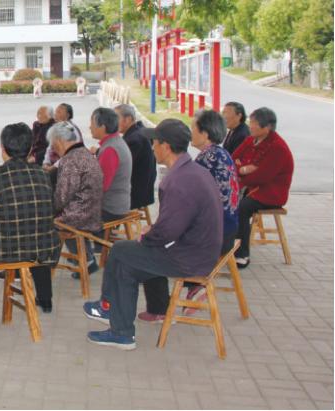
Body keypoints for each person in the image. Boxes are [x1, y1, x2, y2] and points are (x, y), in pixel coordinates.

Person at [83, 119, 223, 350]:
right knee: (126, 264)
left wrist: (146, 237)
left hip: (189, 257)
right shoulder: (192, 171)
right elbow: (176, 222)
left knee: (120, 250)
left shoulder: (178, 181)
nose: (152, 147)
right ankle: (119, 325)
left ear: (166, 147)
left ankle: (112, 315)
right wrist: (153, 231)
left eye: (155, 143)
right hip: (198, 250)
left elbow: (167, 232)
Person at [138, 110, 240, 322]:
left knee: (152, 244)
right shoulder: (220, 154)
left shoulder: (203, 162)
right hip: (225, 228)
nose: (190, 133)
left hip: (213, 235)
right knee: (158, 235)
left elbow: (184, 212)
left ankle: (160, 308)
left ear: (205, 133)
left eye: (194, 129)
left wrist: (155, 230)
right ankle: (187, 291)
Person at [0, 123, 60, 326]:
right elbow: (52, 208)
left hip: (3, 251)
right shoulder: (43, 175)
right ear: (31, 149)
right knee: (37, 237)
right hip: (44, 246)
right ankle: (46, 300)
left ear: (2, 149)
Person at [72, 107, 132, 280]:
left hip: (110, 207)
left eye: (92, 124)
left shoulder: (110, 150)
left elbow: (99, 187)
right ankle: (87, 255)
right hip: (115, 201)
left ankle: (87, 259)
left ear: (103, 127)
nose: (89, 127)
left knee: (64, 217)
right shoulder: (113, 144)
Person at [232, 107, 294, 268]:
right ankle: (224, 243)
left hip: (270, 193)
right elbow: (233, 159)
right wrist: (245, 168)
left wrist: (243, 170)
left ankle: (242, 254)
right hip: (250, 187)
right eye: (250, 122)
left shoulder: (277, 147)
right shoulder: (250, 140)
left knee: (242, 208)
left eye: (254, 123)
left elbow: (263, 176)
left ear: (267, 128)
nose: (250, 126)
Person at [49, 122, 103, 240]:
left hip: (80, 219)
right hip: (94, 213)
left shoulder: (70, 160)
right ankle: (86, 256)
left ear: (58, 141)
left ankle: (81, 257)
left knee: (40, 221)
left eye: (53, 144)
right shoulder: (85, 152)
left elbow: (61, 199)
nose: (53, 148)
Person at [114, 104, 156, 212]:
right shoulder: (138, 131)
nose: (113, 123)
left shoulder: (134, 140)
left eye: (116, 118)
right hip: (144, 189)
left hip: (136, 194)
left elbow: (119, 168)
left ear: (128, 119)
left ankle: (103, 227)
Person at [44, 103, 83, 171]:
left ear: (67, 115)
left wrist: (53, 167)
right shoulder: (57, 128)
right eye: (55, 111)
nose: (55, 114)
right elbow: (50, 148)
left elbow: (70, 153)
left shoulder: (71, 129)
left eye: (59, 112)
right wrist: (46, 163)